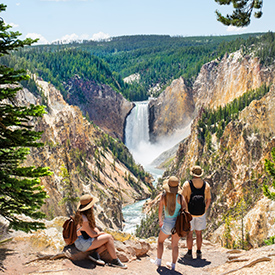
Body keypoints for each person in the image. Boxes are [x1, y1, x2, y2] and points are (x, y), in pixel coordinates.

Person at [74, 194, 127, 269]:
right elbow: (92, 235)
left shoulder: (81, 215)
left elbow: (92, 227)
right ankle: (115, 260)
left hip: (81, 240)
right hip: (82, 244)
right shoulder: (84, 220)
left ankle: (95, 254)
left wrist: (99, 233)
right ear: (90, 207)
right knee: (109, 238)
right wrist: (102, 234)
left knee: (107, 241)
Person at [151, 176, 187, 271]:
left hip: (167, 223)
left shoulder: (164, 196)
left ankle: (158, 261)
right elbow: (185, 211)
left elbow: (160, 211)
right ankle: (173, 265)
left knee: (160, 241)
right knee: (175, 245)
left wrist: (160, 221)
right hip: (178, 225)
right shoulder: (180, 197)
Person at [181, 165, 211, 260]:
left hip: (190, 213)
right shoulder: (206, 185)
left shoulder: (187, 184)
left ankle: (189, 252)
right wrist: (204, 209)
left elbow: (183, 198)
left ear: (192, 174)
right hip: (201, 213)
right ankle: (199, 252)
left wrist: (185, 211)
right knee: (199, 233)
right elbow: (209, 199)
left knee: (190, 233)